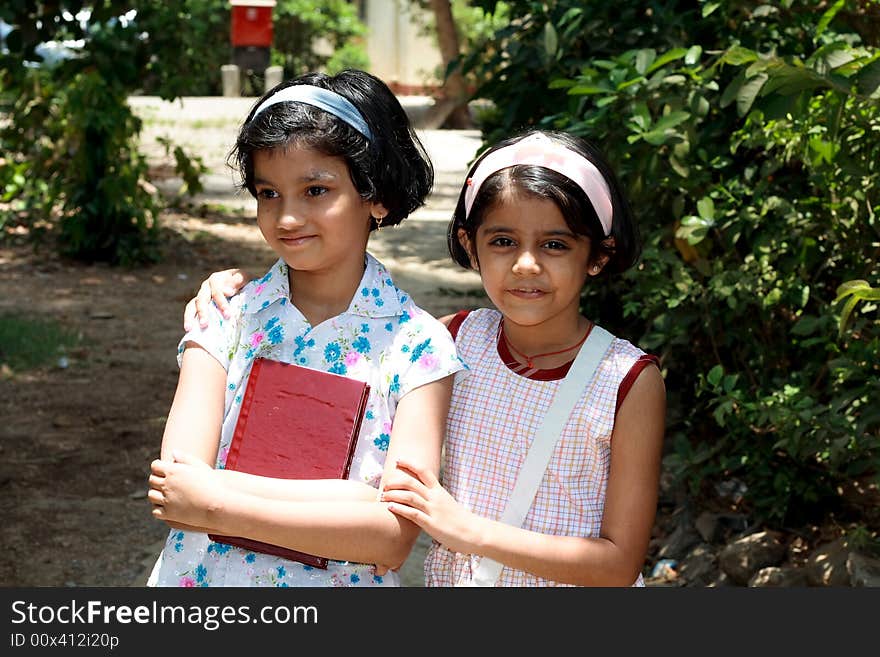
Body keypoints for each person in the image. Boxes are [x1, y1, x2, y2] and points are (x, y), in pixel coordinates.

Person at [183, 129, 666, 586]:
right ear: (469, 247)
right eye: (502, 241)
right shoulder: (447, 342)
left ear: (599, 256)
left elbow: (618, 564)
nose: (525, 264)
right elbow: (333, 344)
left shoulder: (627, 379)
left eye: (555, 245)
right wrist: (231, 296)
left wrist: (469, 532)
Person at [146, 69, 465, 588]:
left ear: (376, 196)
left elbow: (391, 538)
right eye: (268, 193)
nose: (288, 217)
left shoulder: (419, 346)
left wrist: (216, 498)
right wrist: (355, 503)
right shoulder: (226, 318)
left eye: (315, 189)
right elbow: (178, 498)